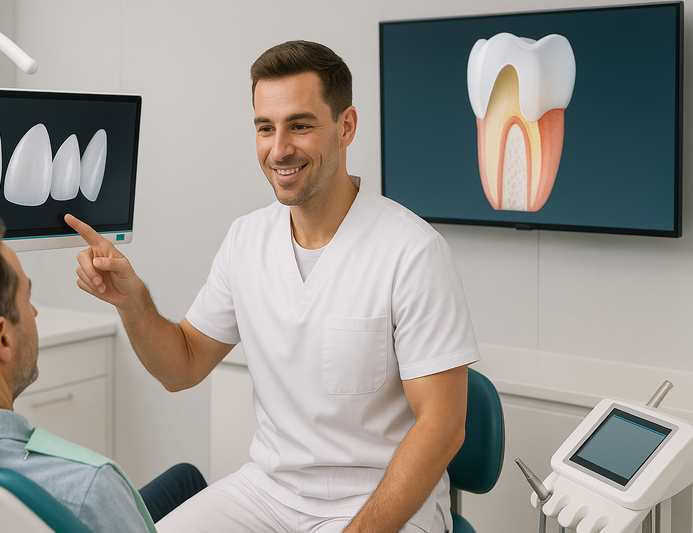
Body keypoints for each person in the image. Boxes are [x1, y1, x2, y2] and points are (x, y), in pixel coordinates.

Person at [66, 40, 480, 533]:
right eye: (266, 127)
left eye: (300, 126)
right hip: (267, 493)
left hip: (377, 504)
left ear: (345, 126)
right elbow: (182, 366)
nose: (279, 149)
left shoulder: (411, 252)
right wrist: (131, 301)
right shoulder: (247, 239)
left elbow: (443, 426)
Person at [0, 213, 206, 532]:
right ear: (2, 337)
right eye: (28, 298)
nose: (34, 312)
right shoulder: (88, 490)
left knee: (184, 480)